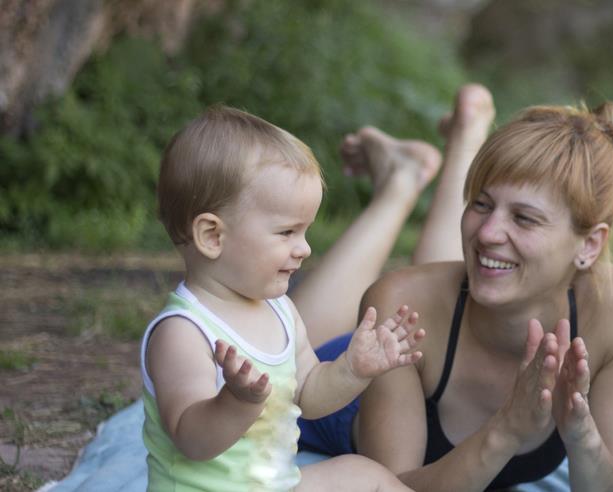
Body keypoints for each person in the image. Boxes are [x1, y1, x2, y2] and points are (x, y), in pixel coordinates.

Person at [295, 89, 613, 491]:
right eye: (480, 204)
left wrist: (583, 437)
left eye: (524, 218)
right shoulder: (401, 301)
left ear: (590, 245)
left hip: (436, 323)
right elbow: (391, 487)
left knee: (473, 271)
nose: (486, 232)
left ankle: (461, 139)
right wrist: (506, 430)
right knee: (275, 350)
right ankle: (399, 183)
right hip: (340, 388)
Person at [141, 106, 422, 491]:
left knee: (366, 475)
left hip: (276, 485)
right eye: (286, 232)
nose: (304, 249)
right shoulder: (183, 332)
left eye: (304, 232)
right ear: (212, 236)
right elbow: (191, 440)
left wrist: (352, 370)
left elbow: (308, 395)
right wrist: (235, 403)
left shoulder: (280, 311)